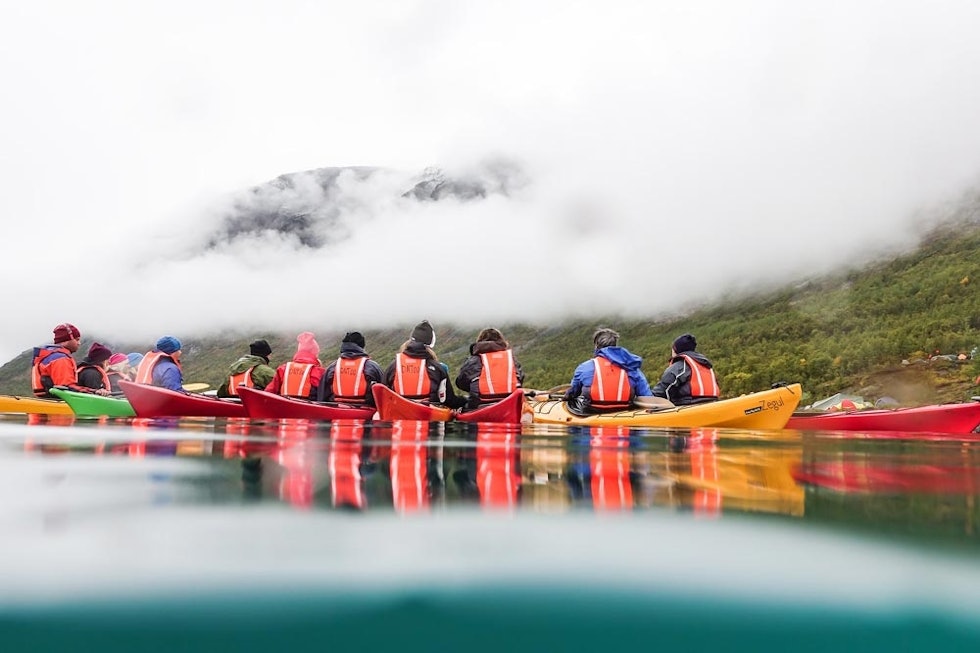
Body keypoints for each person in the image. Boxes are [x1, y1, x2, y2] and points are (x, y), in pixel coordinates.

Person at [564, 328, 652, 414]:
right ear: (615, 345)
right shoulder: (632, 368)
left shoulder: (584, 368)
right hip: (625, 413)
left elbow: (573, 393)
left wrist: (567, 396)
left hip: (592, 412)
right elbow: (647, 396)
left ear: (596, 346)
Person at [383, 320, 466, 409]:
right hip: (428, 413)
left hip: (399, 410)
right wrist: (465, 401)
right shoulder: (438, 368)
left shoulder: (393, 366)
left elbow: (383, 394)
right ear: (430, 344)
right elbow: (447, 400)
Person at [31, 323, 110, 397]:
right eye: (77, 339)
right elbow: (66, 389)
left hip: (46, 402)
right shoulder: (60, 359)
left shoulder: (47, 357)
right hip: (58, 407)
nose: (79, 343)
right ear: (66, 340)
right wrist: (95, 391)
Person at [455, 327, 525, 409]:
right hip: (511, 402)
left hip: (479, 404)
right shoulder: (512, 359)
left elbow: (461, 382)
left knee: (463, 406)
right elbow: (520, 378)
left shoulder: (474, 360)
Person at [317, 331, 384, 405]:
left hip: (337, 409)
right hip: (365, 410)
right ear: (362, 346)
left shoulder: (332, 367)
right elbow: (384, 391)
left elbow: (322, 396)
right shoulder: (372, 366)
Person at [651, 333, 720, 405]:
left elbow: (662, 391)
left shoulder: (678, 367)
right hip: (712, 404)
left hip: (687, 406)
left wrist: (646, 400)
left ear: (676, 350)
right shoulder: (706, 366)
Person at [265, 332, 324, 399]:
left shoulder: (283, 369)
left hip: (284, 408)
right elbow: (326, 396)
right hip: (309, 408)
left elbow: (268, 393)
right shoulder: (318, 372)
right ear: (314, 353)